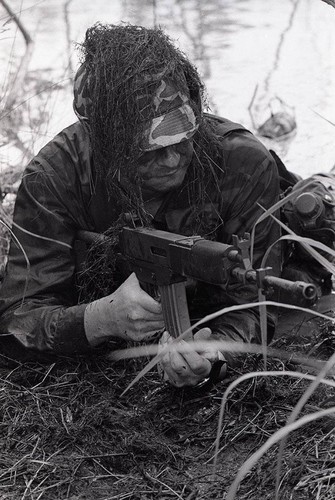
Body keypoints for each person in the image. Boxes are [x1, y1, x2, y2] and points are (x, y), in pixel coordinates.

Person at [0, 23, 296, 387]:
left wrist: (215, 354)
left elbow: (256, 304)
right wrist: (99, 320)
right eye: (148, 152)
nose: (172, 160)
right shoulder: (55, 178)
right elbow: (16, 321)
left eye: (183, 138)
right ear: (103, 144)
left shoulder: (242, 164)